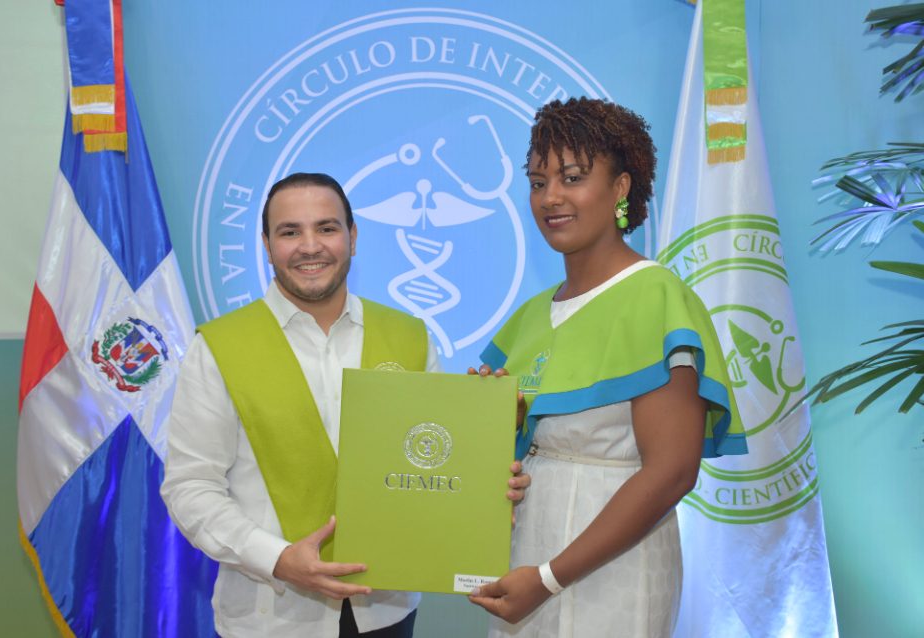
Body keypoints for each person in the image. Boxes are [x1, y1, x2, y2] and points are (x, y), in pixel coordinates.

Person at [161, 172, 529, 638]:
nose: (310, 246)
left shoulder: (410, 337)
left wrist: (488, 477)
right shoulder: (219, 348)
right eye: (289, 232)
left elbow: (434, 465)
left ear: (352, 237)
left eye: (327, 228)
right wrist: (277, 558)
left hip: (387, 610)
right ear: (267, 245)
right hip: (271, 617)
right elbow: (190, 486)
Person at [467, 98, 748, 637]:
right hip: (526, 558)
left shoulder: (656, 297)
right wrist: (492, 426)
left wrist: (549, 578)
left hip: (613, 567)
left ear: (620, 188)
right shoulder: (531, 315)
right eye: (538, 182)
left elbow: (672, 472)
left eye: (572, 178)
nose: (551, 197)